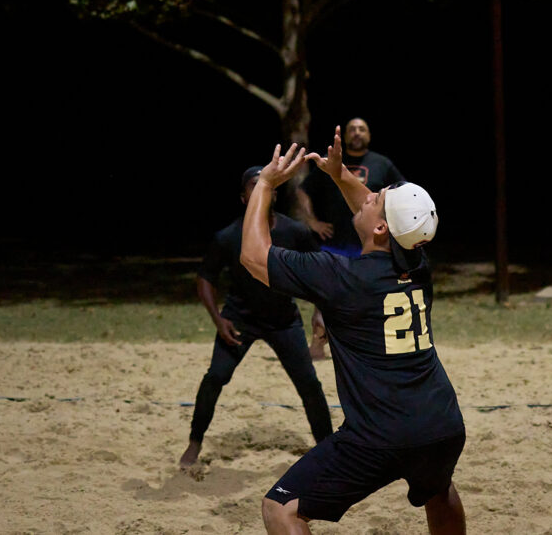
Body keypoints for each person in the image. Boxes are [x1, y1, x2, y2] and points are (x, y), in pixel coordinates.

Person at [240, 130, 466, 535]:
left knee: (280, 508)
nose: (368, 196)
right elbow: (383, 217)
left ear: (380, 229)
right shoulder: (417, 264)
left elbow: (254, 256)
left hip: (379, 434)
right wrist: (340, 174)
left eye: (376, 198)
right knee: (438, 489)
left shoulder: (339, 275)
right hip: (442, 424)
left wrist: (265, 186)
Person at [179, 166, 333, 469]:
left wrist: (319, 309)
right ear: (243, 197)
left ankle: (328, 448)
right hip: (240, 320)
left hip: (283, 320)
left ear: (274, 194)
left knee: (309, 384)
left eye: (268, 184)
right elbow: (205, 278)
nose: (263, 188)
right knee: (216, 377)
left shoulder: (295, 232)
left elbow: (321, 271)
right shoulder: (228, 236)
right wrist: (217, 318)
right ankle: (194, 442)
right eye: (254, 184)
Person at [295, 117, 405, 360]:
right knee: (324, 297)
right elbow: (303, 191)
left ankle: (368, 344)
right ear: (344, 136)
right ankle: (317, 345)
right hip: (334, 243)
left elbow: (402, 192)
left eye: (362, 129)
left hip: (370, 245)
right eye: (352, 129)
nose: (356, 133)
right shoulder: (332, 164)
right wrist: (312, 221)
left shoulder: (382, 164)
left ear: (369, 135)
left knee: (369, 298)